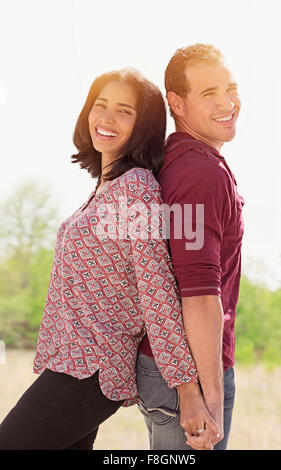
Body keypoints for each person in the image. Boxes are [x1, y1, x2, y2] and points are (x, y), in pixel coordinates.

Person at [0, 68, 201, 450]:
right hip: (72, 364)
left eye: (124, 111)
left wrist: (186, 388)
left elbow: (156, 292)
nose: (106, 118)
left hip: (92, 370)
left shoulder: (136, 189)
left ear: (144, 126)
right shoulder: (106, 188)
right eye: (100, 105)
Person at [137, 43, 245, 450]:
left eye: (230, 88)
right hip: (190, 376)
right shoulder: (201, 174)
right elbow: (198, 295)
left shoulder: (173, 159)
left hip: (165, 368)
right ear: (176, 103)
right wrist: (209, 397)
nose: (227, 102)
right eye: (209, 93)